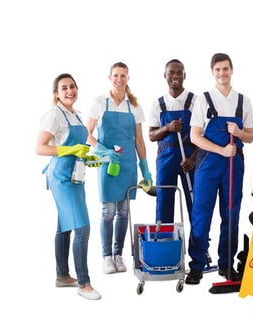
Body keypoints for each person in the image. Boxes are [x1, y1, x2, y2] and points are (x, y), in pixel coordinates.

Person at [185, 53, 253, 285]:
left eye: (225, 69)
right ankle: (196, 265)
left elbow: (251, 136)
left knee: (231, 213)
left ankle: (227, 264)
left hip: (235, 164)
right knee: (201, 213)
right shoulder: (203, 100)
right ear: (212, 72)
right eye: (217, 70)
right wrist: (221, 150)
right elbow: (195, 136)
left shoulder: (243, 101)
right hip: (208, 163)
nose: (222, 74)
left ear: (232, 70)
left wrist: (240, 133)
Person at [36, 73, 101, 300]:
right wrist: (70, 151)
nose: (69, 91)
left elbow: (80, 148)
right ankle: (84, 283)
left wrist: (89, 158)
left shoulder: (77, 115)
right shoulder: (53, 115)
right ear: (56, 93)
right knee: (82, 227)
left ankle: (62, 275)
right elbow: (40, 148)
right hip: (61, 178)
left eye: (72, 86)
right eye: (64, 88)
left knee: (64, 226)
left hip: (75, 177)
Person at [87, 62, 153, 274]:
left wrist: (145, 169)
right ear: (110, 78)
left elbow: (139, 141)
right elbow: (86, 133)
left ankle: (118, 254)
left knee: (124, 211)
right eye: (115, 75)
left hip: (127, 165)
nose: (119, 79)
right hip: (108, 163)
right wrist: (102, 150)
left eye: (123, 75)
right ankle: (106, 256)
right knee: (108, 211)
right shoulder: (99, 103)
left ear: (128, 78)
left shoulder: (134, 107)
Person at [148, 59, 197, 224]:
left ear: (184, 75)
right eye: (171, 72)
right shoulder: (158, 104)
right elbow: (152, 135)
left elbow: (203, 135)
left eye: (179, 72)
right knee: (164, 201)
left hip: (189, 158)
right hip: (165, 158)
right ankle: (164, 244)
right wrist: (167, 128)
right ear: (165, 75)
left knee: (195, 201)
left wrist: (193, 159)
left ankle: (199, 248)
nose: (175, 76)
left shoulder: (195, 102)